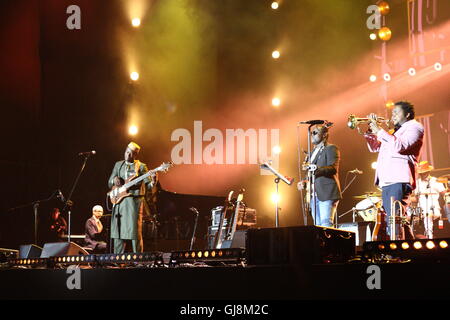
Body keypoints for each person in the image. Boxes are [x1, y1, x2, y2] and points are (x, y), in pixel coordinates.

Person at [364, 101, 424, 239]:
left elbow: (400, 146)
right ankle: (410, 252)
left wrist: (379, 130)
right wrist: (371, 130)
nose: (393, 115)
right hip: (388, 180)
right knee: (397, 219)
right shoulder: (394, 132)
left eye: (396, 112)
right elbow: (375, 148)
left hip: (399, 179)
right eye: (392, 113)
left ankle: (398, 253)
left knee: (395, 220)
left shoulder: (415, 127)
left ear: (407, 114)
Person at [108, 142, 157, 253]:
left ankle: (138, 259)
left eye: (131, 153)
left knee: (134, 232)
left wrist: (153, 180)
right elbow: (109, 182)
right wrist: (114, 180)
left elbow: (149, 186)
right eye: (127, 152)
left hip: (134, 202)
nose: (128, 155)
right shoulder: (118, 165)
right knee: (118, 232)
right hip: (118, 201)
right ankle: (118, 259)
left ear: (135, 155)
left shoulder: (141, 166)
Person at [298, 124, 342, 227]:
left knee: (326, 225)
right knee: (317, 227)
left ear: (324, 135)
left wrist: (316, 169)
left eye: (315, 132)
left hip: (326, 193)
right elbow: (310, 172)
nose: (311, 135)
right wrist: (305, 182)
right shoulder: (312, 152)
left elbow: (333, 168)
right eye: (311, 133)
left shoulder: (331, 148)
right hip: (314, 195)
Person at [411, 161, 446, 238]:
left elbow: (444, 194)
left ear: (428, 171)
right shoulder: (417, 183)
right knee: (409, 218)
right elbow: (416, 199)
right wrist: (406, 199)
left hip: (433, 209)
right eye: (421, 173)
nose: (423, 174)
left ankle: (429, 237)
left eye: (424, 172)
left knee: (428, 216)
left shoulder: (435, 181)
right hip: (420, 210)